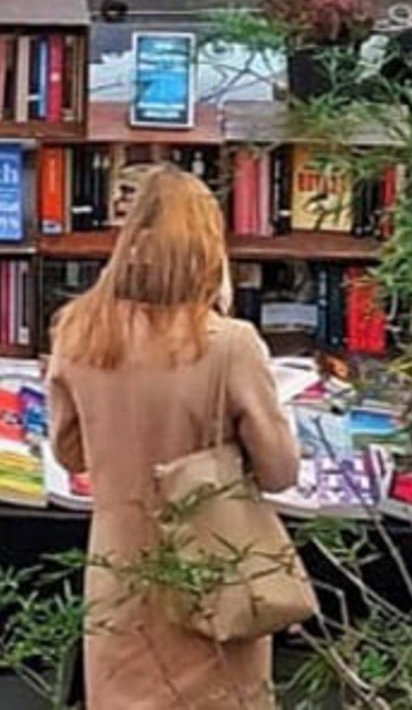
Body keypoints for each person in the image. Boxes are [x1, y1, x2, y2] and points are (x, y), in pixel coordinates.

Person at [47, 166, 300, 710]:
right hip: (212, 576)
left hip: (119, 580)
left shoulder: (78, 331)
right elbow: (281, 471)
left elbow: (69, 453)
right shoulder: (231, 343)